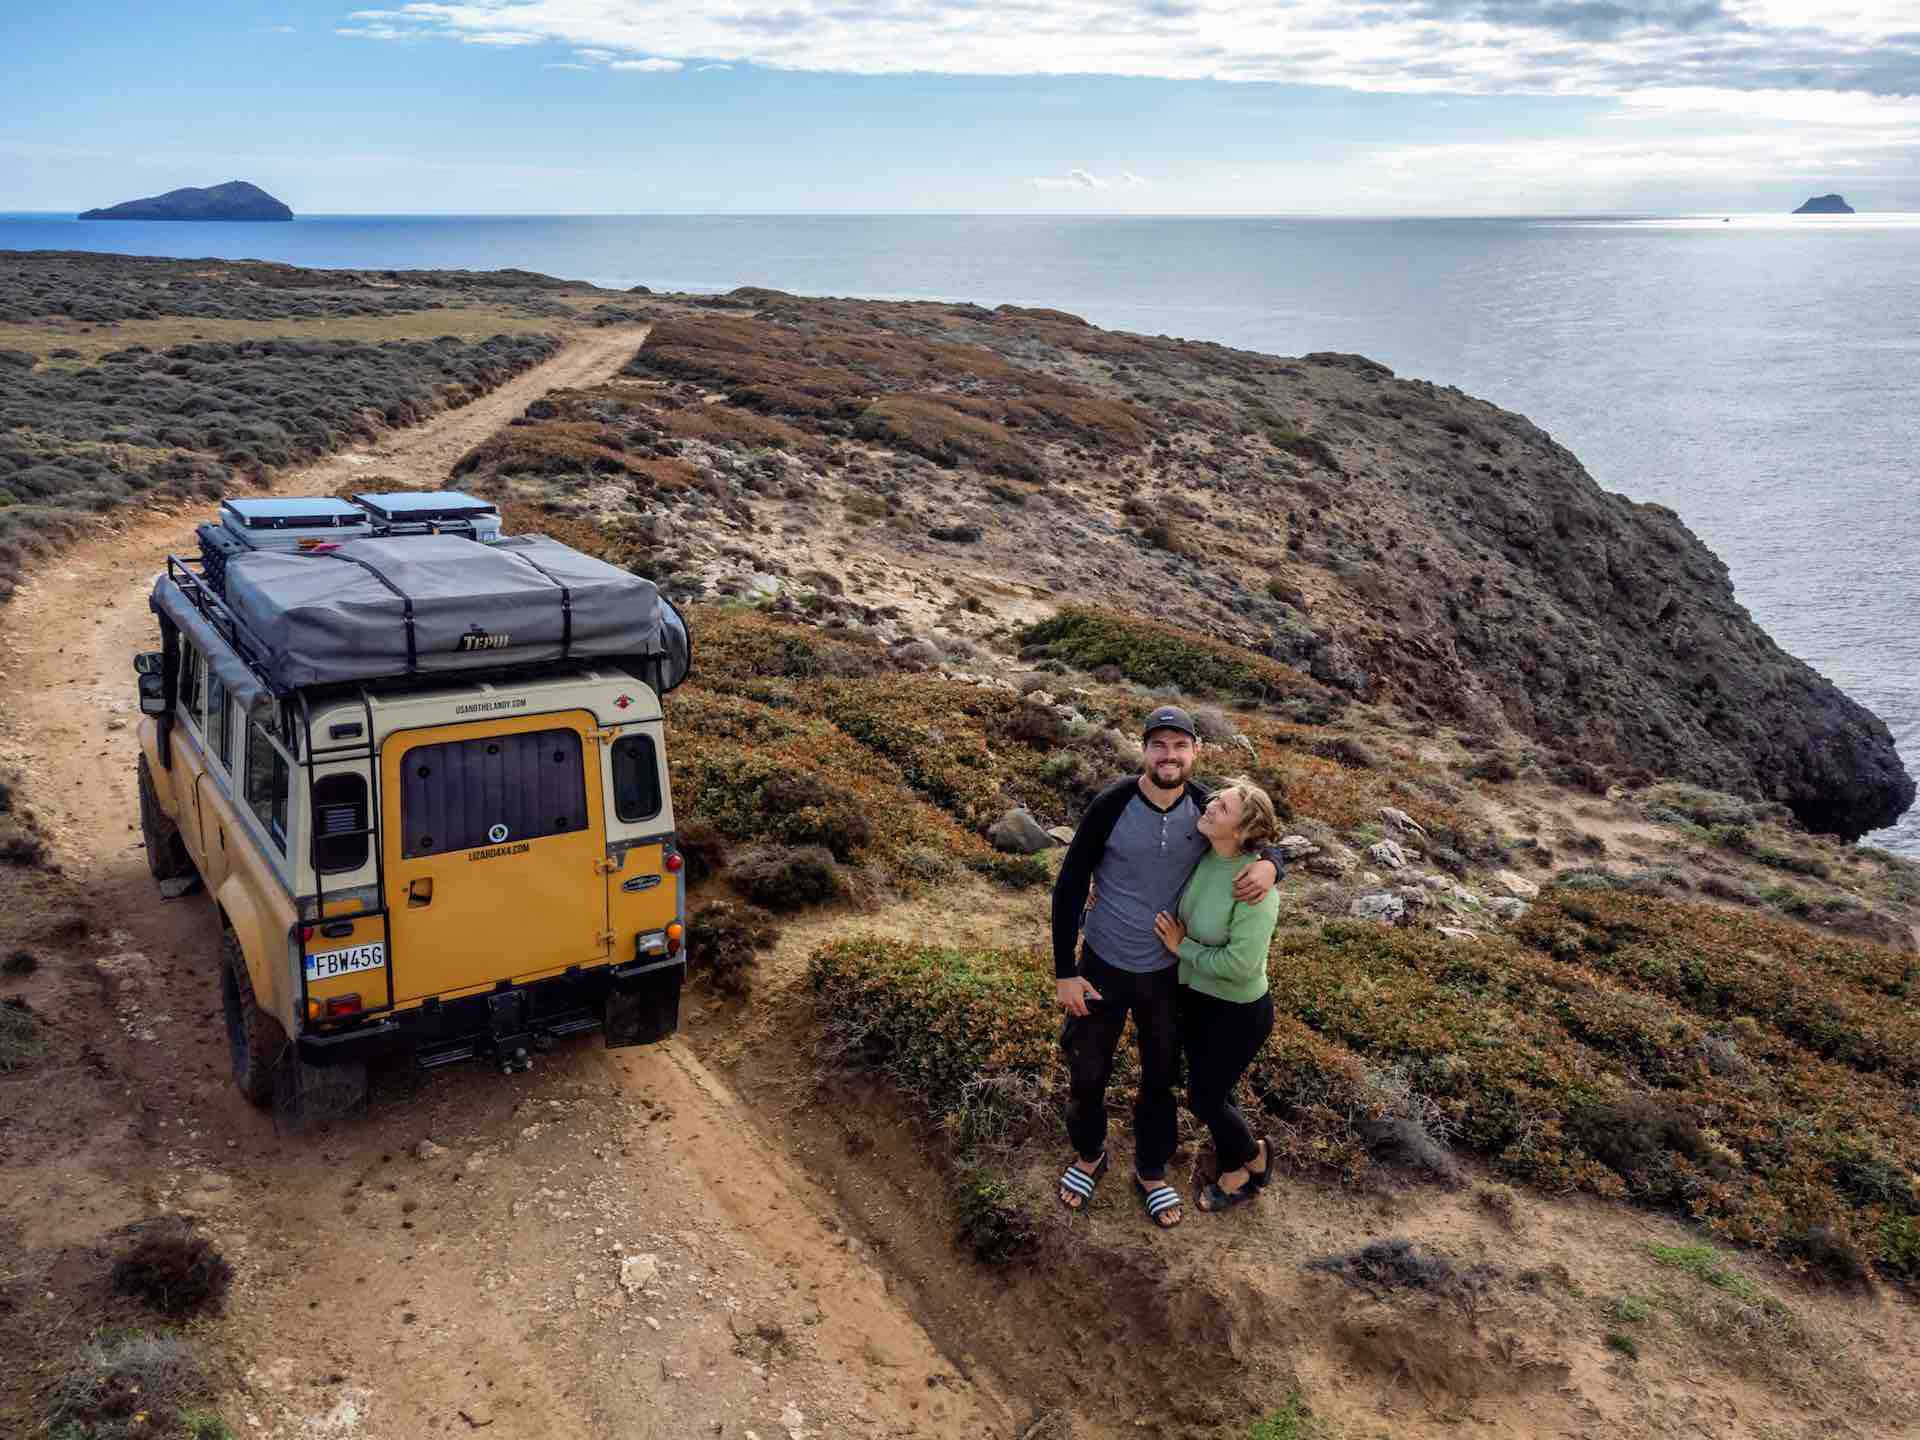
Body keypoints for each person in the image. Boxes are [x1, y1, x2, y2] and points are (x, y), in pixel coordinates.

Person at [1051, 706, 1286, 1229]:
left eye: (1180, 746)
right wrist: (1065, 971)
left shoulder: (1205, 807)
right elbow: (1068, 887)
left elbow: (1250, 834)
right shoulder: (1111, 805)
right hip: (1102, 965)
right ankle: (1089, 1156)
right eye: (1159, 745)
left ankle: (1152, 1171)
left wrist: (1273, 865)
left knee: (1160, 1079)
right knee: (1087, 1071)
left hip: (1165, 976)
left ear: (1194, 753)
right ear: (1144, 751)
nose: (1169, 755)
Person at [1152, 779, 1282, 1212]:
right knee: (1217, 1091)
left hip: (1238, 1011)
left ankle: (1255, 1157)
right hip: (1197, 999)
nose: (1209, 807)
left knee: (1204, 1098)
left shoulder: (1254, 888)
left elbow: (1240, 965)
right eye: (1214, 801)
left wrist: (1181, 948)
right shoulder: (1207, 855)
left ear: (1243, 832)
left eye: (1222, 808)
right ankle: (1233, 1174)